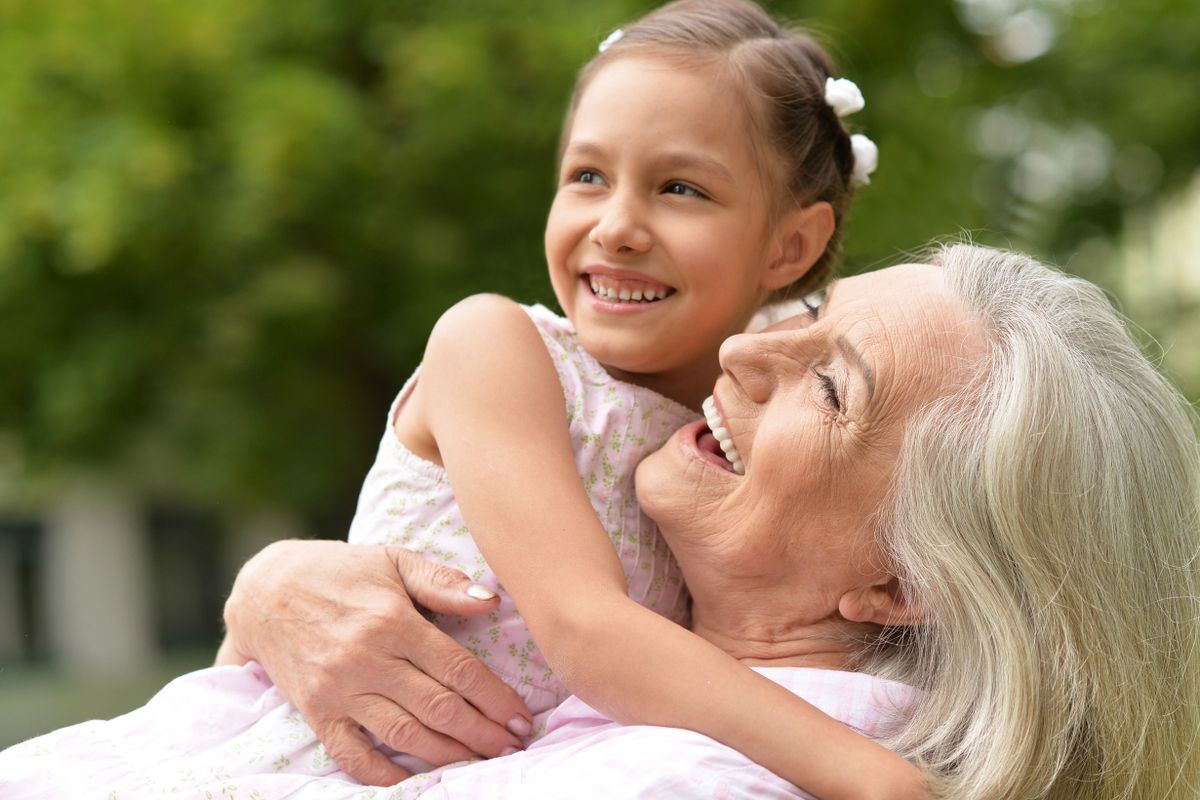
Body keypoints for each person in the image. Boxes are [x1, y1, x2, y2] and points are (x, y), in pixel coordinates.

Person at [4, 1, 923, 798]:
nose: (616, 226)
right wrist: (865, 772)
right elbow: (581, 626)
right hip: (322, 760)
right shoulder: (498, 347)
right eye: (587, 176)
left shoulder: (751, 428)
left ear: (789, 248)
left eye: (679, 188)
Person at [8, 245, 1196, 799]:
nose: (741, 346)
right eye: (808, 309)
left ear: (898, 588)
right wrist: (272, 594)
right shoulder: (658, 585)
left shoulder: (700, 775)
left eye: (833, 385)